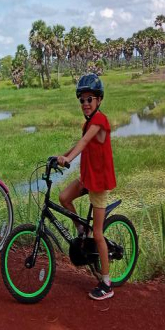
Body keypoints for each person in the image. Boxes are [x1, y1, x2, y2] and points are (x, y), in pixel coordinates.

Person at [55, 73, 117, 300]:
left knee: (99, 234)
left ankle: (107, 283)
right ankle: (82, 230)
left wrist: (69, 160)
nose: (85, 104)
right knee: (64, 197)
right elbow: (79, 142)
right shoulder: (88, 123)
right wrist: (62, 155)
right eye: (82, 100)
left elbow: (84, 142)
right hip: (87, 179)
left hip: (98, 183)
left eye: (89, 99)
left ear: (99, 100)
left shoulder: (100, 120)